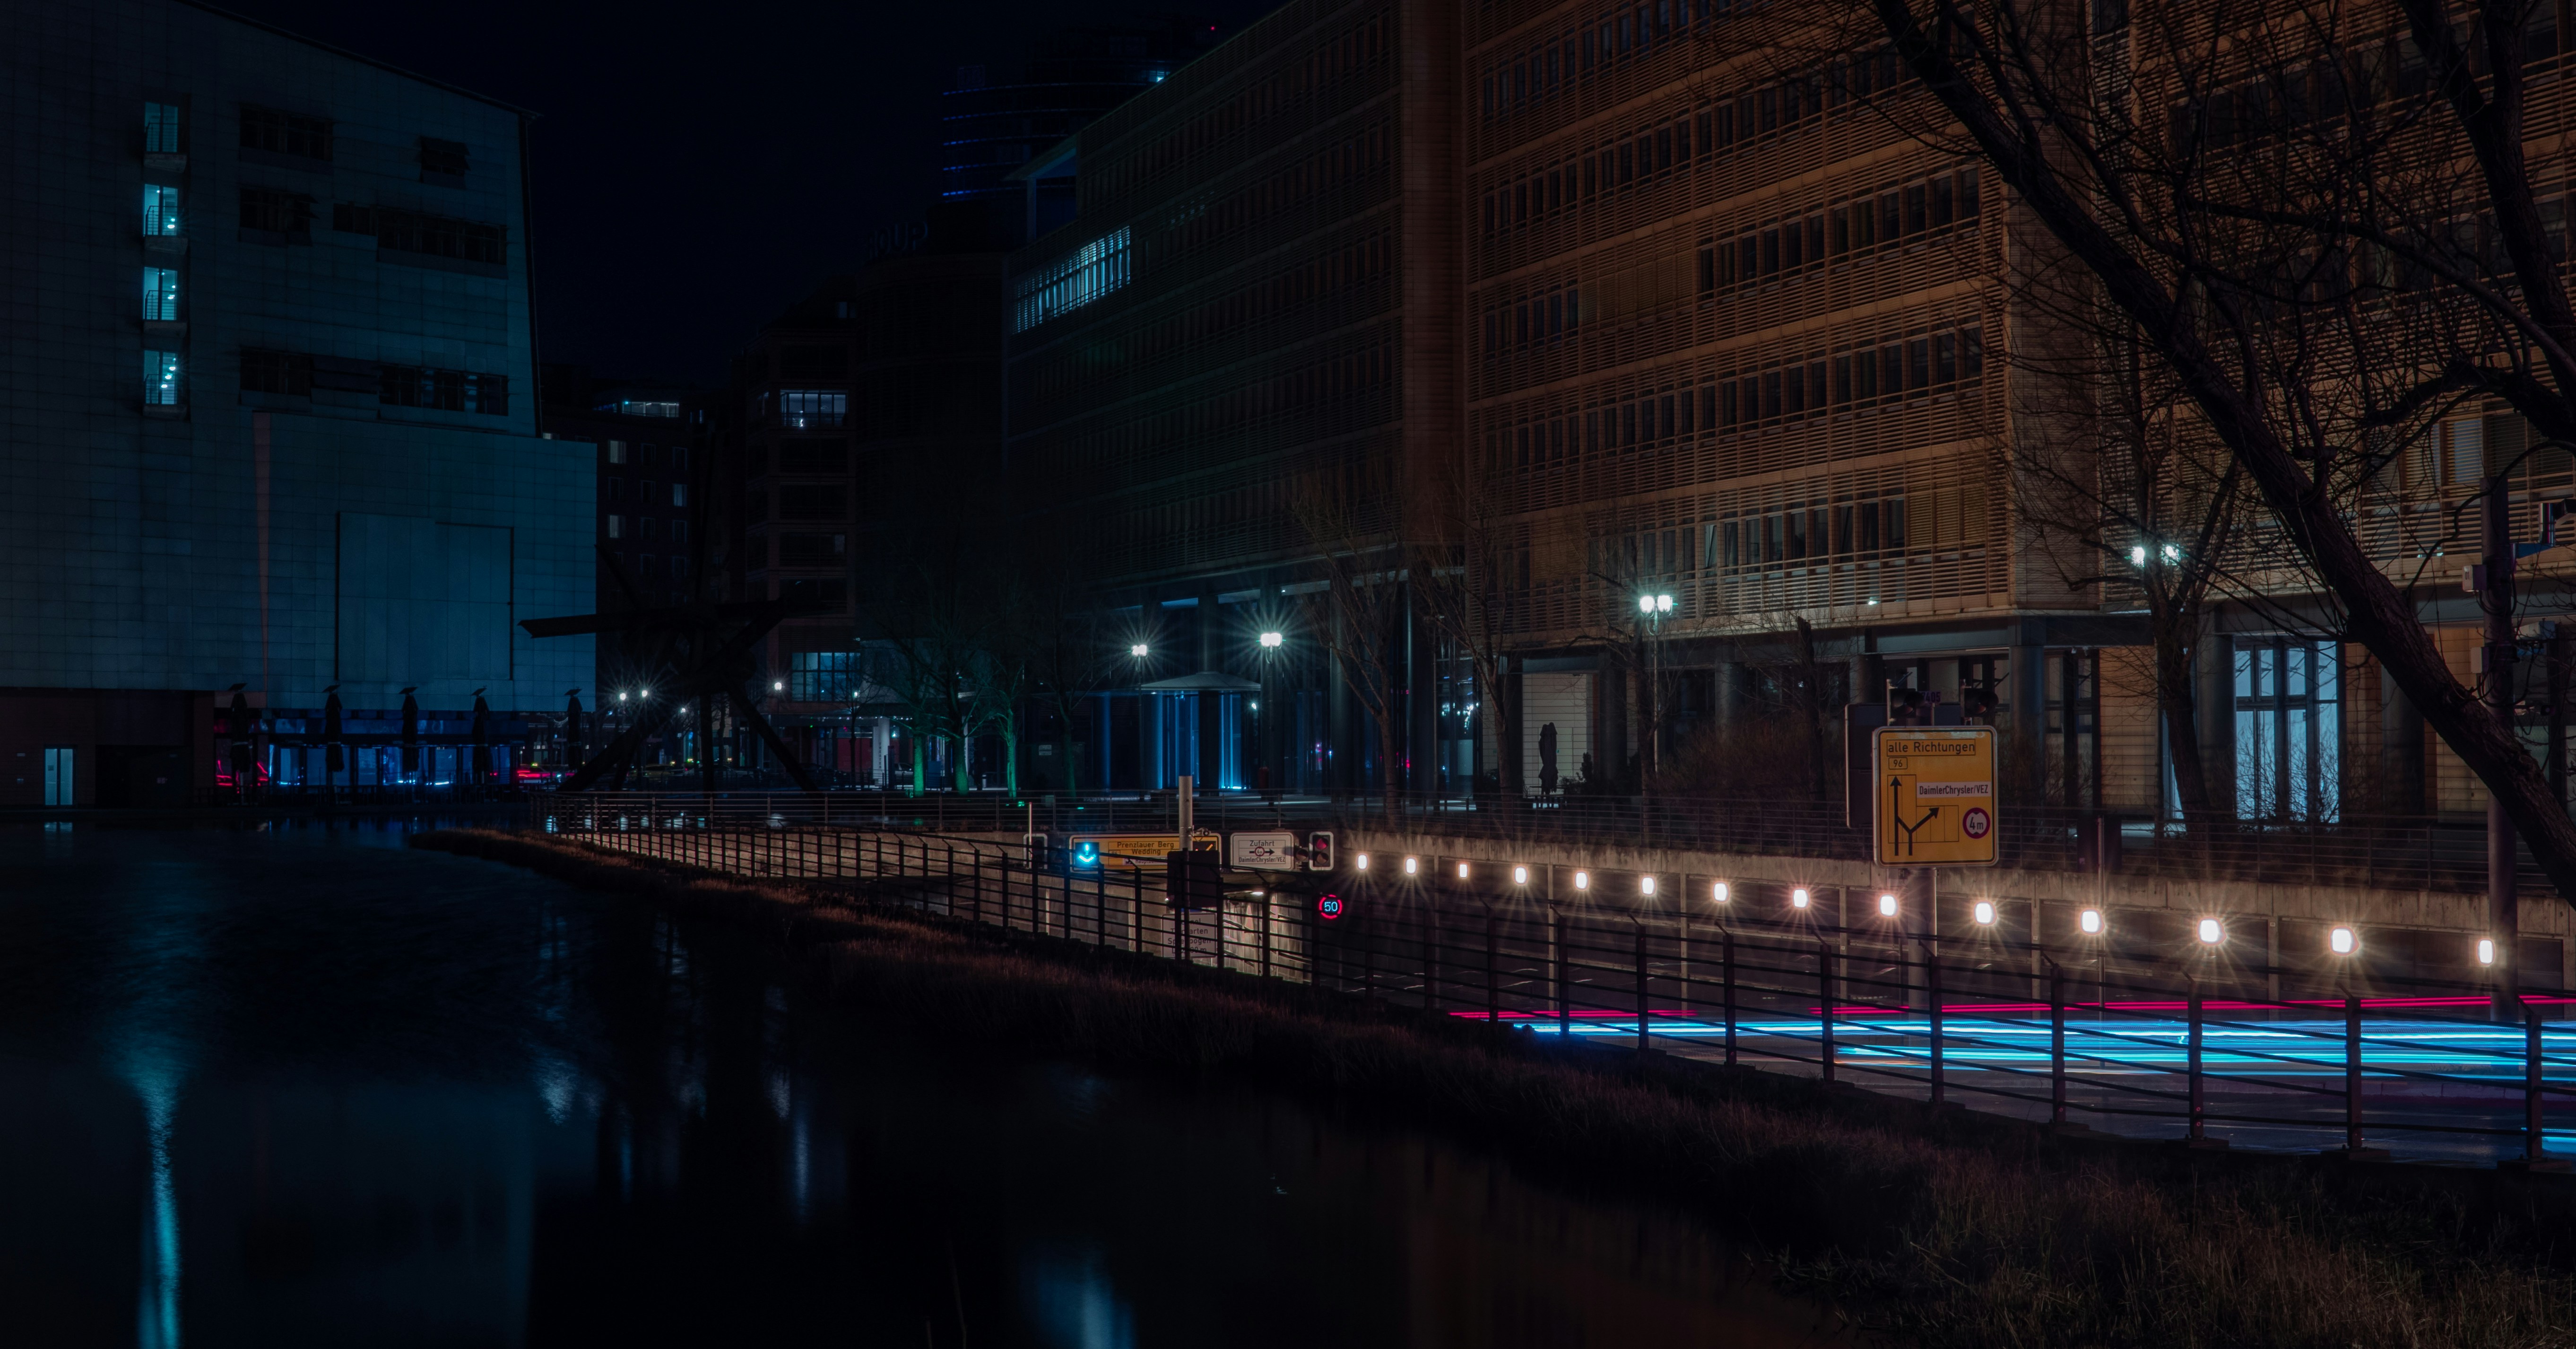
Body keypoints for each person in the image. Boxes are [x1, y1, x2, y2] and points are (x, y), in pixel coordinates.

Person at [1537, 722, 1559, 798]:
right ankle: (1546, 800)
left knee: (1545, 787)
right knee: (1545, 787)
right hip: (1549, 765)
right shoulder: (1548, 740)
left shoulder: (1549, 740)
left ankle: (1545, 801)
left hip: (1549, 765)